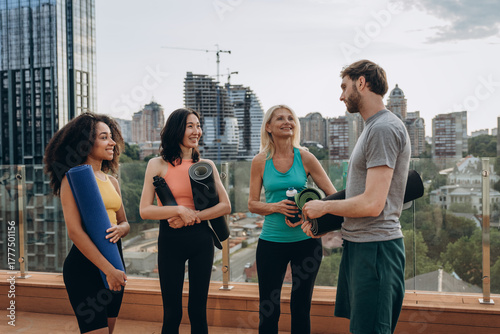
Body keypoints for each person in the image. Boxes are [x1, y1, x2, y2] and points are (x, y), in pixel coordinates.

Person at [302, 59, 411, 334]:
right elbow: (361, 196)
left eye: (344, 86)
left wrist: (324, 209)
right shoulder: (372, 128)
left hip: (376, 251)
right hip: (362, 246)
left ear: (361, 83)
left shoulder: (383, 129)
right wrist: (321, 221)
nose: (341, 95)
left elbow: (373, 204)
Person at [139, 108, 231, 334]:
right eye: (190, 126)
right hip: (170, 240)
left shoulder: (206, 165)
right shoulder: (157, 164)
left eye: (198, 126)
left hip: (201, 240)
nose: (196, 131)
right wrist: (179, 209)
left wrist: (193, 216)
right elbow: (145, 210)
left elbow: (225, 206)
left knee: (198, 311)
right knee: (172, 313)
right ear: (176, 129)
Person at [248, 105, 336, 333]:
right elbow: (252, 204)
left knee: (300, 306)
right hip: (271, 242)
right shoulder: (260, 161)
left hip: (306, 243)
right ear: (268, 127)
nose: (287, 122)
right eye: (280, 119)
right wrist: (276, 207)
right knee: (269, 308)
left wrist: (316, 223)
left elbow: (333, 196)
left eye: (290, 118)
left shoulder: (306, 157)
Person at [44, 112, 129, 334]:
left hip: (114, 258)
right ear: (85, 143)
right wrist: (108, 270)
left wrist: (121, 229)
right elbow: (75, 232)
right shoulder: (71, 180)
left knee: (109, 330)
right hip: (85, 267)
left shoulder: (112, 181)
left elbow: (125, 223)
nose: (112, 143)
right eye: (104, 137)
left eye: (111, 137)